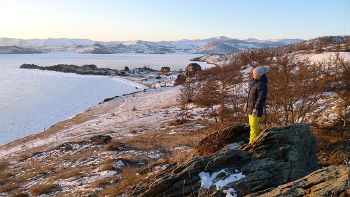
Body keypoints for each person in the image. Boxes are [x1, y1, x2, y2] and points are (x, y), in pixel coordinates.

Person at [243, 66, 269, 144]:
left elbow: (261, 98)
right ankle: (252, 139)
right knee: (252, 126)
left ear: (258, 75)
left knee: (254, 127)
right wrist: (246, 104)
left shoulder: (262, 84)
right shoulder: (255, 82)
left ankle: (252, 144)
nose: (252, 75)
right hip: (251, 108)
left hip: (255, 109)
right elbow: (252, 96)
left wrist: (256, 109)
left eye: (253, 74)